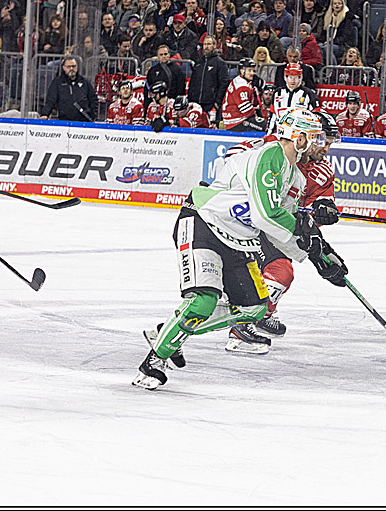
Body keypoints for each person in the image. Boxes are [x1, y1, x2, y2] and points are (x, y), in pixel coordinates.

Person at [133, 109, 345, 390]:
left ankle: (171, 332)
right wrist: (301, 229)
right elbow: (265, 215)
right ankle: (153, 362)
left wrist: (319, 256)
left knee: (255, 308)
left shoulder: (297, 180)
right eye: (317, 138)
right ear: (299, 137)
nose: (322, 146)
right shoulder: (270, 155)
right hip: (203, 222)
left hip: (238, 241)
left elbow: (281, 231)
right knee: (203, 301)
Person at [219, 111, 342, 346]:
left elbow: (316, 206)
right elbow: (233, 156)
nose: (326, 148)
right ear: (306, 138)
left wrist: (324, 210)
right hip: (249, 218)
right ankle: (242, 322)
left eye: (330, 143)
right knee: (275, 271)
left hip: (276, 225)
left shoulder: (322, 171)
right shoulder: (274, 149)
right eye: (322, 141)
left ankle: (261, 314)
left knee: (282, 274)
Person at [39, 56, 97, 122]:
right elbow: (51, 100)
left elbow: (93, 99)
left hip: (83, 121)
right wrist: (45, 114)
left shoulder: (85, 82)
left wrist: (93, 115)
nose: (71, 68)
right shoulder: (58, 82)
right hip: (64, 121)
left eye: (74, 66)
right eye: (69, 67)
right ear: (63, 68)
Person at [222, 58, 268, 132]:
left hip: (233, 119)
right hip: (237, 121)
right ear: (242, 71)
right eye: (249, 70)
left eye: (253, 70)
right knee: (266, 126)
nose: (252, 73)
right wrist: (256, 116)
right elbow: (246, 110)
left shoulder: (239, 80)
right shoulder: (242, 86)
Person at [269, 62, 319, 131]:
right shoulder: (277, 93)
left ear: (300, 78)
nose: (293, 80)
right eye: (290, 77)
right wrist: (269, 133)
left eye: (296, 77)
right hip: (280, 134)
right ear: (285, 77)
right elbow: (273, 115)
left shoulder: (309, 94)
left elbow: (316, 117)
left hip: (300, 134)